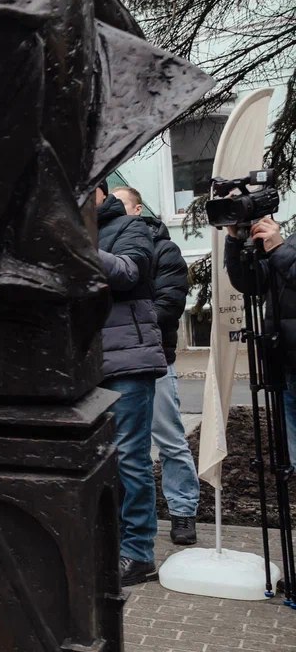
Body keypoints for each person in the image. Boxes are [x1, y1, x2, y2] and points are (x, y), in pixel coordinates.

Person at [113, 187, 198, 545]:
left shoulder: (163, 250)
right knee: (125, 449)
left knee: (169, 440)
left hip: (155, 360)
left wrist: (137, 329)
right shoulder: (110, 246)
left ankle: (183, 511)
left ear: (137, 209)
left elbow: (170, 302)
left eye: (121, 203)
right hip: (117, 361)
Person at [95, 181, 166, 586]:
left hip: (127, 362)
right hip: (85, 367)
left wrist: (78, 247)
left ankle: (139, 553)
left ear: (98, 191)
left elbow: (128, 272)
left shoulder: (130, 227)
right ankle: (111, 543)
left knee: (130, 459)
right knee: (100, 463)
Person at [224, 216, 296, 470]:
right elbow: (251, 283)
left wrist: (279, 249)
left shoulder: (285, 247)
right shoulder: (291, 243)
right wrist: (235, 240)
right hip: (284, 364)